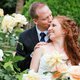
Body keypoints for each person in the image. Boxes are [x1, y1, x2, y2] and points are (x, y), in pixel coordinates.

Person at [16, 2, 53, 72]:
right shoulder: (23, 37)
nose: (50, 20)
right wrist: (33, 54)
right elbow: (18, 66)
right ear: (35, 21)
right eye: (45, 19)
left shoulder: (58, 32)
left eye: (50, 15)